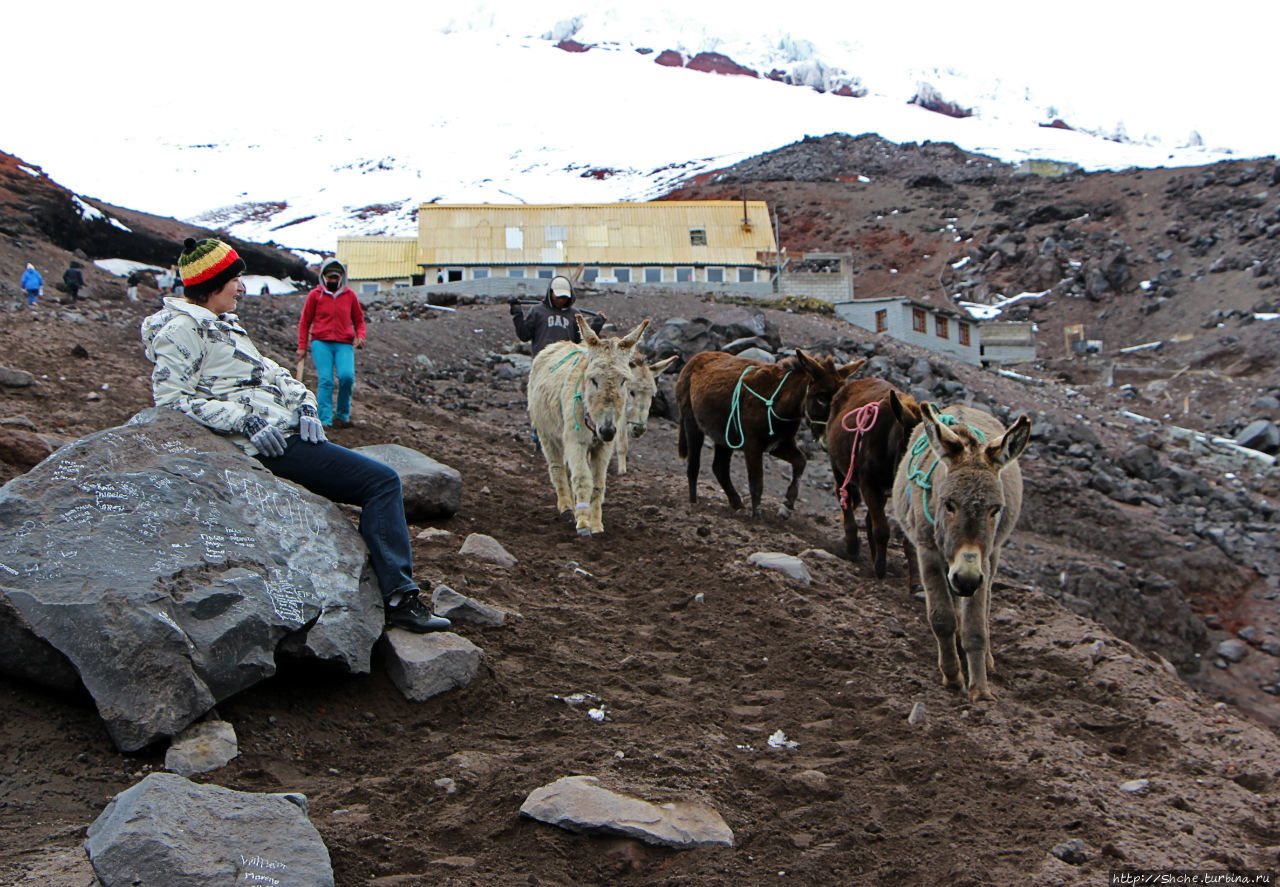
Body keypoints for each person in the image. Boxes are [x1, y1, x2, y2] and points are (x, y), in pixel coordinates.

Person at [141, 237, 449, 634]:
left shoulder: (223, 324)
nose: (242, 287)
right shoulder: (183, 330)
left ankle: (395, 592)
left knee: (376, 480)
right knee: (382, 482)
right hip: (265, 443)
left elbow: (274, 373)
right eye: (235, 279)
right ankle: (399, 599)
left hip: (283, 428)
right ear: (211, 283)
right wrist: (243, 421)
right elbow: (171, 400)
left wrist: (304, 403)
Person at [297, 259, 365, 428]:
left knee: (347, 377)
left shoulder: (350, 296)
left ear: (341, 277)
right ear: (324, 276)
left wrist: (360, 336)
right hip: (321, 343)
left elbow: (359, 320)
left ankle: (342, 415)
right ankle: (325, 419)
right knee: (326, 380)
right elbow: (305, 322)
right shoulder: (315, 295)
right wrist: (302, 346)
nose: (333, 281)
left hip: (344, 343)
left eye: (336, 277)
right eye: (330, 277)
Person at [509, 274, 607, 358]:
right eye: (558, 297)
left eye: (564, 297)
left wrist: (597, 325)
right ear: (551, 293)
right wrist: (517, 313)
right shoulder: (538, 311)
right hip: (542, 364)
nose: (561, 300)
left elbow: (583, 343)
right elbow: (524, 335)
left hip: (566, 365)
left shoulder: (574, 315)